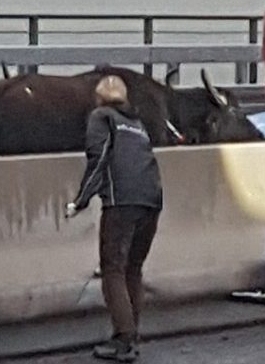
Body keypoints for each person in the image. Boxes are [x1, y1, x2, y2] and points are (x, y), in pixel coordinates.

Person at [65, 75, 163, 362]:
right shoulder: (137, 124)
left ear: (98, 98)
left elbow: (99, 159)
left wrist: (80, 201)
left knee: (113, 269)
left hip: (122, 202)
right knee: (134, 268)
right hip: (152, 201)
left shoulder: (101, 118)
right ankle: (132, 333)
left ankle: (123, 339)